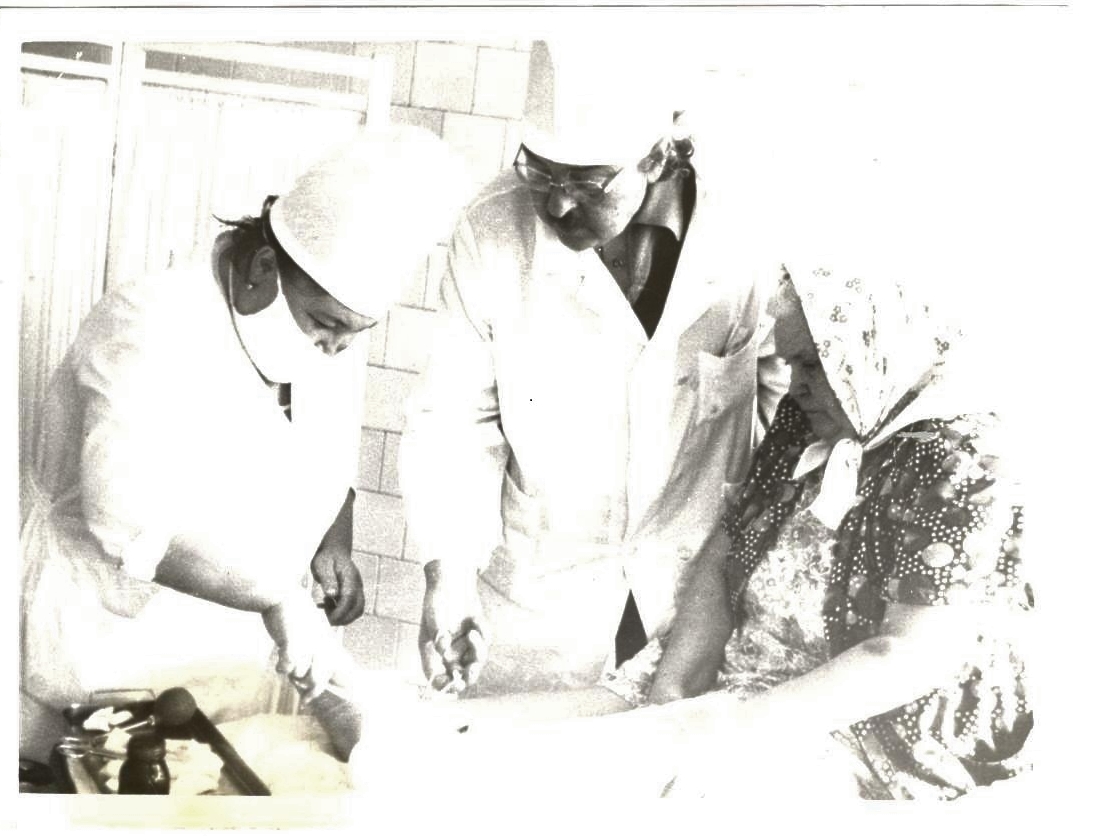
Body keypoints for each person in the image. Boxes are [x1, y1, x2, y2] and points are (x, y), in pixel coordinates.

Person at [350, 261, 1033, 801]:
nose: (793, 385)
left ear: (873, 351)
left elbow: (906, 655)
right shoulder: (812, 423)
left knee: (610, 792)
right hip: (738, 678)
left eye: (813, 365)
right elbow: (725, 552)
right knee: (470, 744)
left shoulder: (962, 462)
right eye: (790, 362)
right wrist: (670, 697)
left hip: (860, 730)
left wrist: (714, 732)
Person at [19, 124, 467, 762]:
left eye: (355, 332)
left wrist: (333, 536)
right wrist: (277, 596)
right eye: (328, 324)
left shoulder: (309, 328)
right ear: (263, 268)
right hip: (100, 639)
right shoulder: (148, 323)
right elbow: (127, 522)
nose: (336, 346)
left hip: (222, 652)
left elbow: (315, 437)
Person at [399, 39, 788, 700]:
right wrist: (449, 577)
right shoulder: (492, 231)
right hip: (542, 595)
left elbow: (782, 401)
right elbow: (453, 420)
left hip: (691, 588)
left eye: (585, 182)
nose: (555, 207)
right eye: (539, 173)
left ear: (659, 154)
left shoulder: (749, 230)